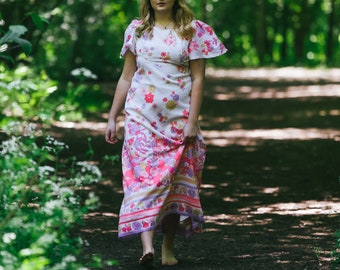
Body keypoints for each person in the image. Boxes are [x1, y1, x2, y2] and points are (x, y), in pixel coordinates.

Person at [105, 0, 227, 267]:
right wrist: (112, 117)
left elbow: (198, 79)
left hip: (177, 121)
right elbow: (127, 76)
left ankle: (167, 246)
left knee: (172, 184)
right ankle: (147, 247)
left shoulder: (192, 30)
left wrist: (192, 122)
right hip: (140, 117)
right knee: (143, 180)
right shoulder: (136, 30)